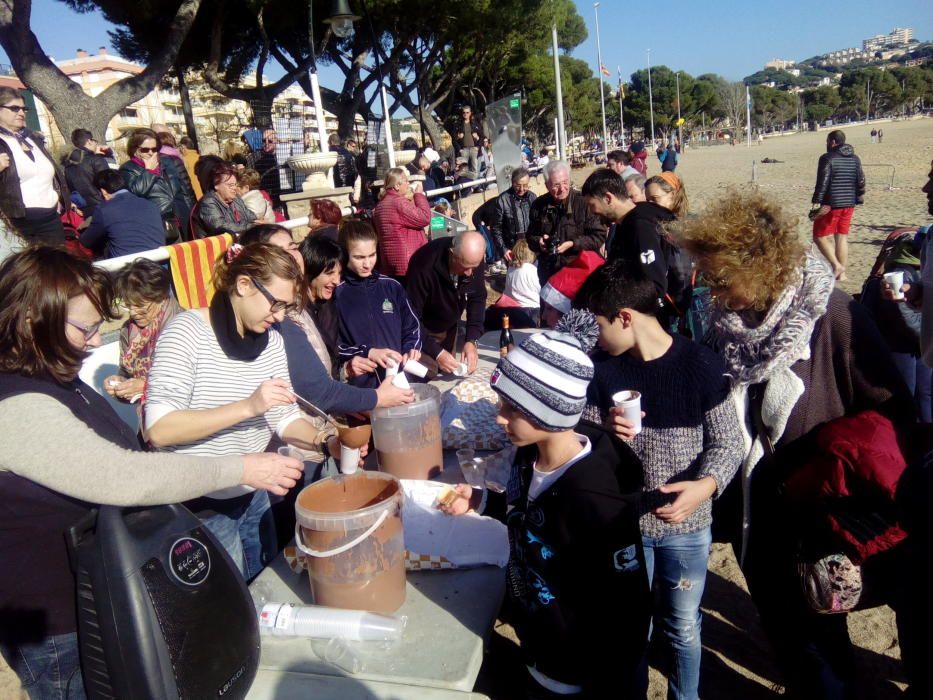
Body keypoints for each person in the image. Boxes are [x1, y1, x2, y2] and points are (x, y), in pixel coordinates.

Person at [0, 246, 302, 699]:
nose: (95, 340)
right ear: (29, 320)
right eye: (85, 328)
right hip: (59, 628)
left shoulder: (56, 380)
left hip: (103, 599)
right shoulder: (16, 406)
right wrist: (241, 467)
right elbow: (123, 475)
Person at [679, 189, 915, 699]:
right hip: (753, 513)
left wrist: (830, 457)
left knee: (819, 638)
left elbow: (890, 406)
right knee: (782, 625)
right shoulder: (725, 325)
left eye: (722, 278)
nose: (714, 293)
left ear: (761, 265)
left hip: (819, 517)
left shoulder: (832, 314)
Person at [440, 310, 651, 697]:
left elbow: (627, 607)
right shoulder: (528, 454)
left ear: (549, 413)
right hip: (538, 641)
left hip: (582, 667)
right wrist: (484, 499)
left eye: (513, 410)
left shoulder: (597, 502)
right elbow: (526, 507)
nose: (500, 418)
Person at [577, 261, 743, 700]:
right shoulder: (602, 369)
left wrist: (705, 487)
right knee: (630, 626)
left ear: (625, 317)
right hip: (625, 526)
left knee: (683, 626)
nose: (596, 337)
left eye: (598, 325)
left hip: (685, 528)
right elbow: (581, 442)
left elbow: (730, 443)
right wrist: (602, 429)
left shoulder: (701, 366)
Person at [144, 243, 347, 579]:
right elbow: (160, 429)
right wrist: (248, 406)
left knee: (265, 579)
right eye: (276, 303)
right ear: (243, 285)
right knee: (234, 595)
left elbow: (283, 416)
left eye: (287, 306)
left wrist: (326, 441)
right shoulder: (186, 333)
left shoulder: (271, 342)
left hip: (254, 490)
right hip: (202, 502)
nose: (280, 316)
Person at [582, 168, 687, 328]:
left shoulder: (640, 225)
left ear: (608, 198)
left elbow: (655, 284)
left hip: (655, 321)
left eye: (592, 205)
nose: (591, 212)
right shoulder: (633, 220)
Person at [336, 219, 423, 389]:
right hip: (361, 387)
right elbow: (333, 345)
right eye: (359, 257)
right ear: (345, 255)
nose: (367, 264)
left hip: (398, 381)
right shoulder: (337, 293)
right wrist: (366, 351)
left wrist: (411, 347)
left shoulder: (391, 286)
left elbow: (412, 324)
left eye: (372, 255)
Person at [103, 259, 182, 410]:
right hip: (149, 421)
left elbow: (200, 383)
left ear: (161, 297)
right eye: (128, 305)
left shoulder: (185, 325)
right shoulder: (129, 330)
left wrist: (146, 387)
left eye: (140, 305)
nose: (133, 313)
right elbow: (127, 372)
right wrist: (122, 384)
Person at [405, 230, 487, 375]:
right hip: (422, 329)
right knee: (427, 374)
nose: (469, 273)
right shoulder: (423, 265)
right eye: (465, 266)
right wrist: (436, 352)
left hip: (449, 325)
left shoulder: (473, 259)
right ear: (451, 254)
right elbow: (410, 317)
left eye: (474, 267)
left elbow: (477, 298)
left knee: (449, 371)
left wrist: (471, 339)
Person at [0, 87, 67, 242]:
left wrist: (58, 200)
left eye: (24, 109)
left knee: (57, 265)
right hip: (17, 223)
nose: (21, 113)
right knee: (26, 266)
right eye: (14, 108)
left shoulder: (34, 139)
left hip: (50, 218)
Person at [526, 160, 607, 285]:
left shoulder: (584, 203)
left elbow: (599, 236)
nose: (562, 189)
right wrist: (539, 242)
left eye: (565, 182)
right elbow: (530, 236)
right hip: (550, 273)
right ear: (547, 185)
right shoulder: (538, 205)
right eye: (556, 185)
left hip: (580, 271)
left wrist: (573, 244)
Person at [119, 128, 194, 243]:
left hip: (180, 216)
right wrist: (148, 171)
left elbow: (183, 189)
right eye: (145, 149)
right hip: (157, 223)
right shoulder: (128, 169)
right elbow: (135, 192)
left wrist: (191, 212)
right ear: (135, 149)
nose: (151, 153)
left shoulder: (166, 161)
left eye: (154, 149)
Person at [810, 129, 866, 281]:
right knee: (841, 237)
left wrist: (817, 201)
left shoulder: (827, 158)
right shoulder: (855, 158)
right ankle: (842, 275)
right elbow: (861, 181)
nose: (827, 144)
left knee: (819, 236)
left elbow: (823, 182)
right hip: (849, 203)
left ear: (833, 142)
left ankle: (837, 265)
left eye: (827, 141)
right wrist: (858, 196)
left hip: (831, 203)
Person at [79, 169, 165, 259]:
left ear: (103, 192)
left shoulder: (104, 210)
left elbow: (86, 241)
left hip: (126, 267)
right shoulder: (151, 205)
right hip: (159, 262)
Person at [372, 167, 431, 286]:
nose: (408, 183)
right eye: (405, 180)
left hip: (389, 263)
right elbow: (425, 217)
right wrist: (419, 195)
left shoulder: (379, 207)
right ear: (397, 186)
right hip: (408, 262)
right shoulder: (398, 203)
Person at [485, 239, 540, 330]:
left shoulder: (511, 268)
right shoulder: (533, 269)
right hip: (530, 309)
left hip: (511, 308)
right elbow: (538, 289)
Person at [194, 162, 261, 238]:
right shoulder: (208, 203)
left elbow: (251, 216)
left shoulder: (236, 199)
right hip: (218, 246)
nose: (235, 188)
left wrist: (260, 223)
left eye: (235, 184)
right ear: (216, 185)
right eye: (230, 185)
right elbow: (220, 227)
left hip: (238, 241)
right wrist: (252, 226)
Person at [62, 128, 110, 218]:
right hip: (102, 206)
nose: (96, 144)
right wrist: (108, 155)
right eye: (95, 141)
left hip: (81, 209)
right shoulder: (96, 160)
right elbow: (110, 184)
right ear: (89, 141)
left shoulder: (67, 164)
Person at [492, 167, 537, 260]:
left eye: (525, 185)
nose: (521, 189)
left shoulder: (532, 197)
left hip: (531, 247)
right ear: (512, 183)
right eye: (518, 185)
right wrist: (503, 249)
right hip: (512, 249)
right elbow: (496, 228)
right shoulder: (502, 200)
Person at [451, 104, 484, 175]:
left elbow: (482, 137)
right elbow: (453, 140)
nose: (465, 114)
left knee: (475, 172)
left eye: (467, 112)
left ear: (470, 113)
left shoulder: (476, 124)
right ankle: (467, 185)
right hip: (464, 150)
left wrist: (478, 146)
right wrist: (459, 148)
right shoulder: (458, 125)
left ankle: (475, 186)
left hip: (475, 150)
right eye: (464, 112)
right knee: (464, 171)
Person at [178, 135, 204, 199]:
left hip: (194, 196)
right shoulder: (200, 158)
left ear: (183, 147)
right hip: (204, 194)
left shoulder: (183, 161)